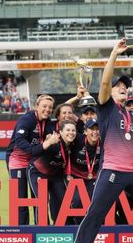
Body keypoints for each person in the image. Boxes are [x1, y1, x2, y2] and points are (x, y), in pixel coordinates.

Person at [75, 39, 133, 243]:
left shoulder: (132, 115)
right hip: (113, 170)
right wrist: (115, 53)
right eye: (119, 86)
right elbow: (105, 82)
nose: (123, 88)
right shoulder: (106, 108)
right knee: (96, 214)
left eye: (125, 86)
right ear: (111, 92)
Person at [6, 94, 56, 225]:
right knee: (20, 200)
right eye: (44, 106)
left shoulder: (48, 122)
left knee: (38, 198)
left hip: (35, 162)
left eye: (50, 107)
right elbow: (20, 141)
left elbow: (64, 112)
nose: (47, 109)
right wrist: (42, 146)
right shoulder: (26, 120)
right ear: (36, 107)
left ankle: (39, 229)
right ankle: (22, 231)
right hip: (18, 160)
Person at [27, 120, 72, 224]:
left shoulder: (73, 143)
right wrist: (48, 142)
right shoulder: (54, 142)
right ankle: (43, 230)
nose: (71, 132)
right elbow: (36, 151)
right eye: (68, 130)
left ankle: (60, 227)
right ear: (60, 132)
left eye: (73, 130)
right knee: (42, 201)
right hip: (37, 172)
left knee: (63, 200)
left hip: (55, 174)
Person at [68, 118, 101, 224]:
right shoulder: (77, 139)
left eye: (97, 129)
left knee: (96, 201)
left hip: (94, 178)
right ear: (85, 131)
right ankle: (79, 227)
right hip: (76, 177)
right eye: (92, 129)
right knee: (77, 202)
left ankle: (95, 227)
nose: (95, 132)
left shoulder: (104, 143)